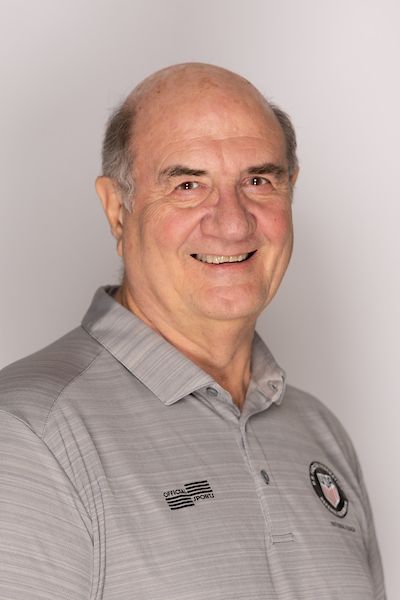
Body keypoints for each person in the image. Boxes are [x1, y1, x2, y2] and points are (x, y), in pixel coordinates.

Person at [0, 63, 385, 599]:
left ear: (291, 190)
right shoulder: (27, 436)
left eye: (258, 181)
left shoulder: (317, 431)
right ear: (117, 210)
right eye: (188, 185)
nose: (233, 222)